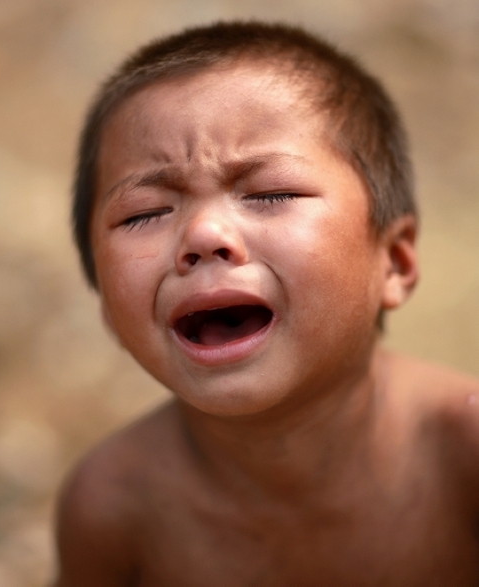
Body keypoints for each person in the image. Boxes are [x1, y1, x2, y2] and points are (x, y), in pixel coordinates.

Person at [55, 21, 479, 586]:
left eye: (271, 193)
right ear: (108, 304)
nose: (204, 234)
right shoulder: (113, 507)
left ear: (394, 263)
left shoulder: (465, 455)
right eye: (144, 214)